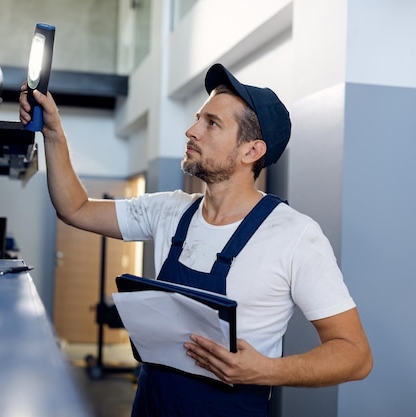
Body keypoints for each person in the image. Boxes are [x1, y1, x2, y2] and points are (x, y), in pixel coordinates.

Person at [19, 63, 372, 417]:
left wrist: (265, 369)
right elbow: (75, 208)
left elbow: (355, 355)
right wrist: (53, 133)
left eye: (212, 123)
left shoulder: (296, 236)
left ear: (251, 151)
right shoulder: (169, 210)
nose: (191, 131)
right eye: (198, 118)